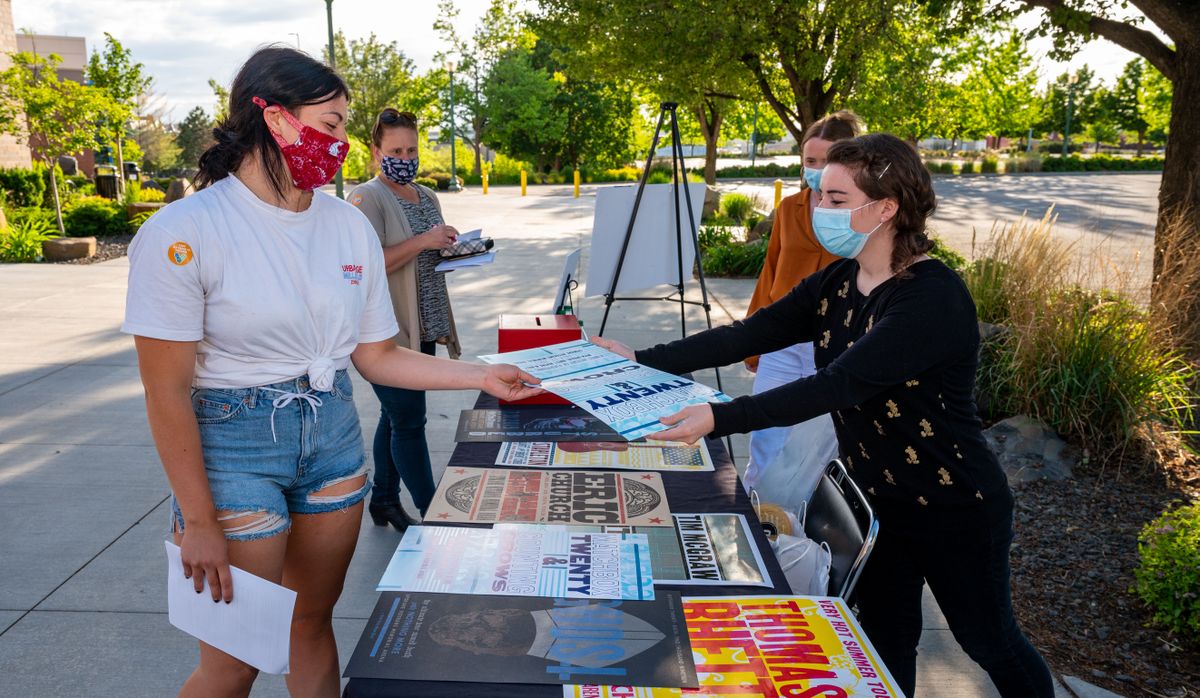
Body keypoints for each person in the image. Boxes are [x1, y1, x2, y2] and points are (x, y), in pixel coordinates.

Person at [122, 46, 539, 697]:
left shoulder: (346, 227)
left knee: (309, 625)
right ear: (275, 118)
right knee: (234, 661)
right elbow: (165, 389)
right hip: (230, 448)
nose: (343, 143)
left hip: (331, 437)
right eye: (334, 122)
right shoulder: (185, 231)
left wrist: (481, 376)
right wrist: (198, 520)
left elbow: (376, 355)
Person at [594, 133, 1053, 697]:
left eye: (836, 200)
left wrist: (719, 417)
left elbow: (837, 386)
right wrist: (642, 359)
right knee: (885, 639)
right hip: (878, 500)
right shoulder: (841, 279)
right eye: (819, 195)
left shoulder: (930, 297)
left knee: (988, 641)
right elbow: (752, 331)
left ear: (885, 208)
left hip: (952, 504)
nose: (819, 210)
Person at [347, 109, 461, 531]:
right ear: (376, 152)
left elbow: (427, 253)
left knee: (394, 416)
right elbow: (365, 262)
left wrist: (452, 246)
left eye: (411, 148)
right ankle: (436, 513)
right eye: (395, 150)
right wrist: (424, 241)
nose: (404, 156)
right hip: (386, 332)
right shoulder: (366, 198)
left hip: (424, 325)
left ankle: (383, 500)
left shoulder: (427, 196)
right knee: (410, 421)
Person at [742, 110, 861, 492]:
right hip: (780, 343)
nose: (817, 169)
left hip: (831, 347)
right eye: (810, 161)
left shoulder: (858, 215)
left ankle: (806, 522)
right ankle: (758, 514)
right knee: (764, 434)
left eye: (827, 161)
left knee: (817, 446)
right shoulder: (788, 209)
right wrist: (752, 341)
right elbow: (770, 272)